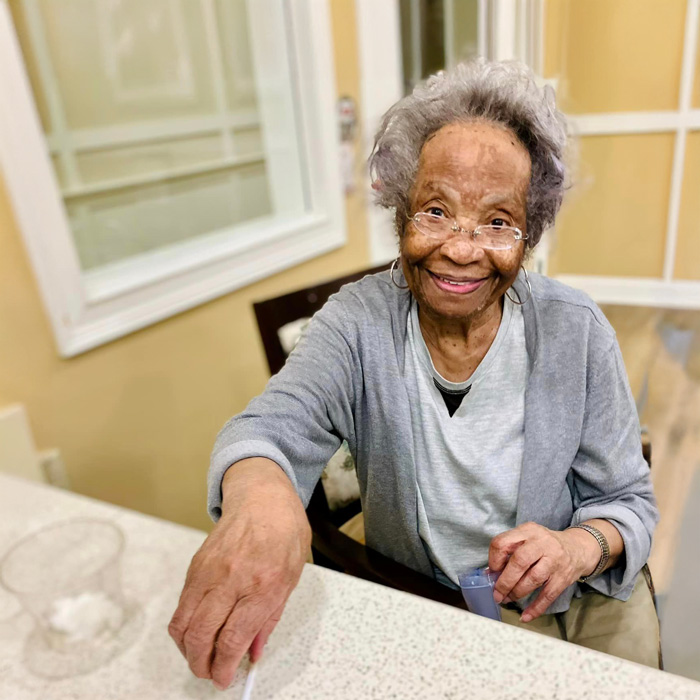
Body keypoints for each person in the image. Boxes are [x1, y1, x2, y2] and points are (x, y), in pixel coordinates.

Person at [169, 59, 659, 690]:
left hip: (572, 595)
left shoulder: (575, 331)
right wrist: (264, 500)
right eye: (435, 210)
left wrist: (577, 547)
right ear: (400, 212)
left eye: (498, 222)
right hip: (429, 609)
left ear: (529, 234)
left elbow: (629, 502)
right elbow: (270, 429)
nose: (461, 248)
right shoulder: (357, 322)